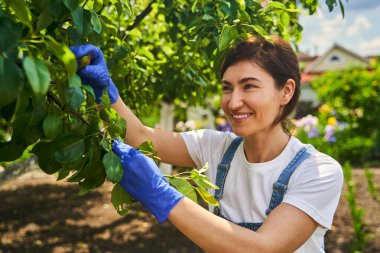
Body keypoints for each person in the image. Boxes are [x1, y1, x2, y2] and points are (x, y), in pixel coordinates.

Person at [70, 35, 343, 253]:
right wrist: (106, 93)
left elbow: (264, 248)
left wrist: (160, 193)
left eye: (249, 86)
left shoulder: (317, 171)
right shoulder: (216, 147)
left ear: (286, 91)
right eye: (227, 87)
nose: (233, 102)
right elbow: (141, 136)